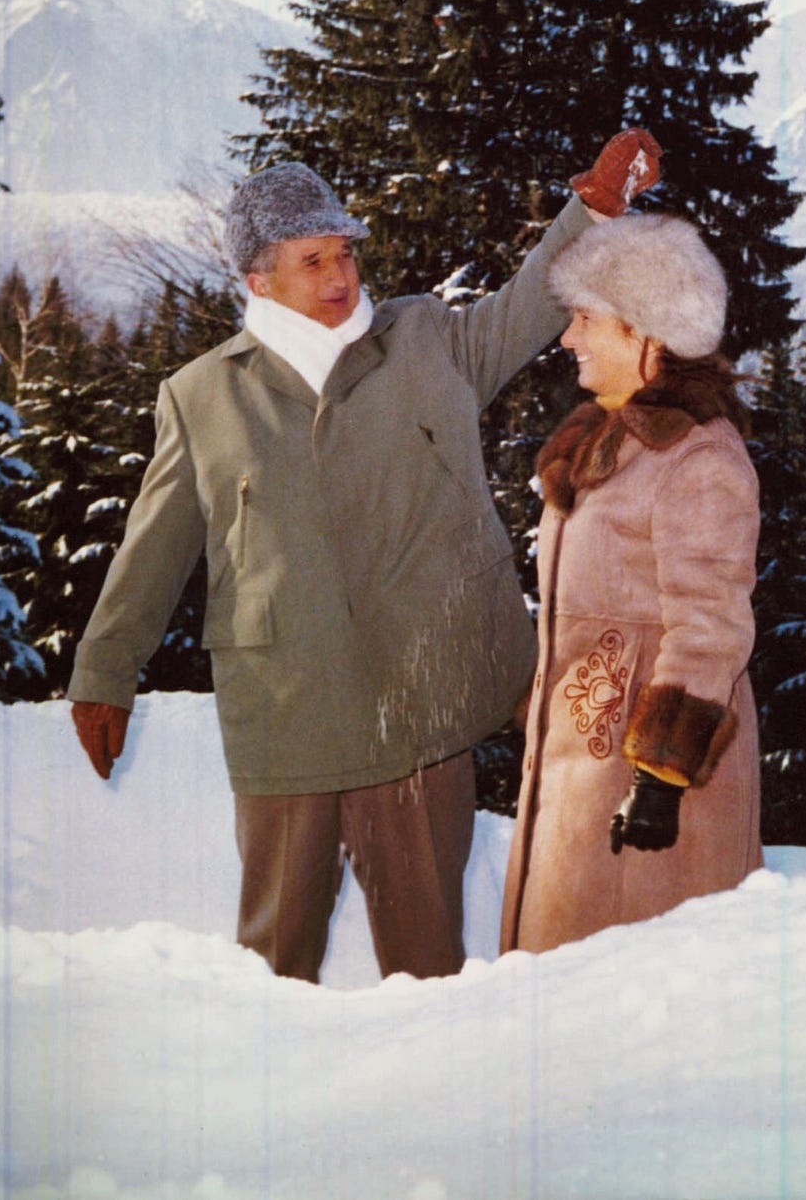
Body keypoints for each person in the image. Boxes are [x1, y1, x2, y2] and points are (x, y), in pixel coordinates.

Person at [68, 131, 660, 984]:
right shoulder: (201, 397)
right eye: (313, 261)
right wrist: (103, 670)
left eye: (344, 252)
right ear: (256, 280)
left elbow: (531, 304)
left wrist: (594, 209)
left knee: (427, 976)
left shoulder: (424, 341)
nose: (341, 276)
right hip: (285, 717)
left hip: (417, 714)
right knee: (274, 968)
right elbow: (154, 547)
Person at [500, 212, 762, 956]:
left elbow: (710, 627)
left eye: (586, 319)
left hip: (644, 784)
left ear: (646, 333)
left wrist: (660, 775)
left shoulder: (697, 461)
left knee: (629, 1002)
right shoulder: (606, 443)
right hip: (584, 760)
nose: (568, 339)